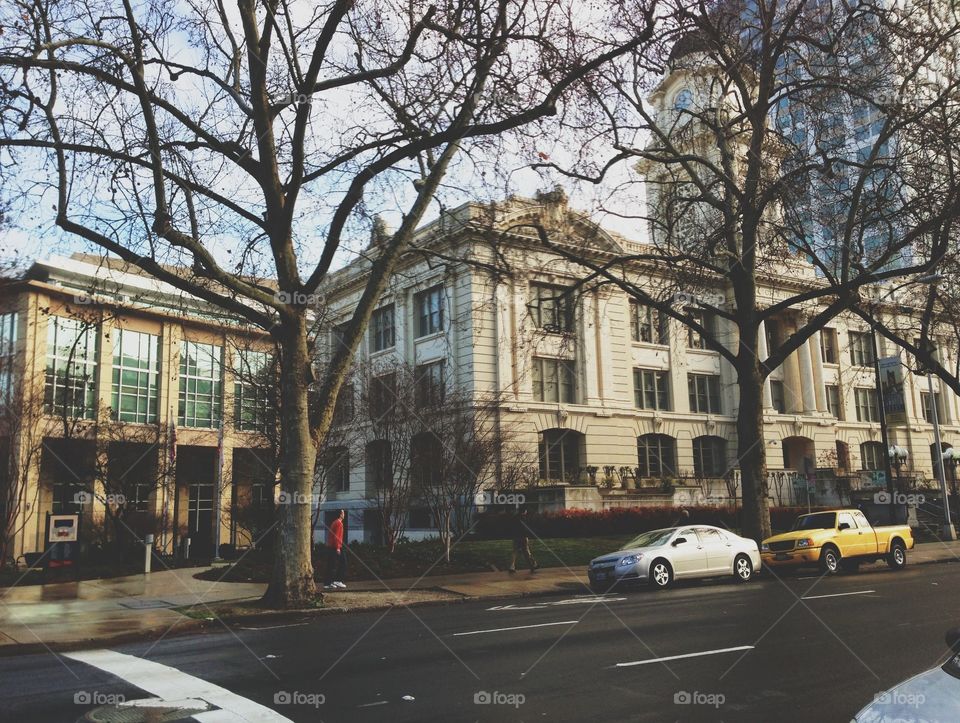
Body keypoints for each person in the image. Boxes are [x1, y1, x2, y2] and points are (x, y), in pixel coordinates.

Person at [509, 507, 538, 573]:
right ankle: (532, 565)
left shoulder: (514, 518)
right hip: (523, 537)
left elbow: (512, 527)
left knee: (514, 552)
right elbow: (526, 528)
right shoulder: (524, 518)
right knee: (526, 552)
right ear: (524, 511)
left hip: (516, 536)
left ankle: (512, 566)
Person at [324, 509, 347, 590]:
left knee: (333, 564)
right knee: (341, 563)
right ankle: (333, 581)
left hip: (333, 546)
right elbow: (336, 536)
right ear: (340, 514)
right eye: (343, 513)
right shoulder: (338, 523)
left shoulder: (335, 522)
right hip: (335, 547)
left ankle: (331, 582)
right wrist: (337, 548)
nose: (344, 514)